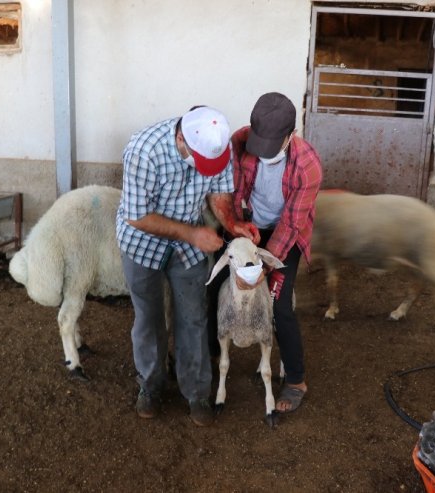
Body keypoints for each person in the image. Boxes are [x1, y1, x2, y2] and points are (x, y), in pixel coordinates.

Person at [116, 106, 258, 427]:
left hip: (189, 242)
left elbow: (220, 194)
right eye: (201, 163)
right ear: (181, 138)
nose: (208, 170)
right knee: (149, 318)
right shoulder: (143, 150)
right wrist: (193, 234)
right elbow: (138, 216)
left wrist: (233, 225)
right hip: (142, 241)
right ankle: (150, 385)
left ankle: (195, 391)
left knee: (193, 316)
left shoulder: (217, 144)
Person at [207, 92, 322, 414]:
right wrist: (237, 226)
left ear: (290, 136)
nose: (263, 152)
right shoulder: (240, 142)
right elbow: (231, 191)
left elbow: (292, 223)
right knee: (214, 285)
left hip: (285, 233)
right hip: (247, 225)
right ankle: (211, 357)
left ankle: (296, 379)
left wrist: (262, 266)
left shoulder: (307, 165)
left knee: (278, 302)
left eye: (272, 146)